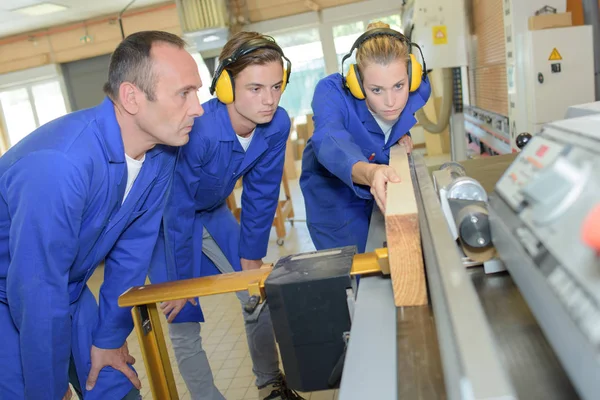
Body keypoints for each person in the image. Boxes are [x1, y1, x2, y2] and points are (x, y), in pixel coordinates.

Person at [0, 31, 204, 400]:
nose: (198, 108)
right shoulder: (60, 166)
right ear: (131, 97)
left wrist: (109, 337)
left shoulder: (160, 154)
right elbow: (37, 286)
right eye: (184, 94)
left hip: (69, 291)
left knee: (115, 386)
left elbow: (133, 252)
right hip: (16, 297)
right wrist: (48, 388)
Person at [149, 32, 302, 400]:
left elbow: (262, 192)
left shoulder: (277, 124)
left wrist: (251, 258)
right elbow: (178, 206)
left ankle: (270, 386)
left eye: (277, 86)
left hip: (212, 212)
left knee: (255, 292)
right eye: (255, 88)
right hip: (164, 223)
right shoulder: (199, 129)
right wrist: (182, 281)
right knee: (181, 315)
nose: (269, 99)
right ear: (226, 87)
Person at [300, 22, 432, 253]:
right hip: (334, 195)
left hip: (378, 180)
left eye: (399, 86)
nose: (391, 101)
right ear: (357, 83)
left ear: (411, 77)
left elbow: (388, 120)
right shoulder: (332, 91)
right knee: (354, 267)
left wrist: (400, 131)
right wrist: (370, 172)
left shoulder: (418, 89)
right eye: (377, 90)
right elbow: (329, 138)